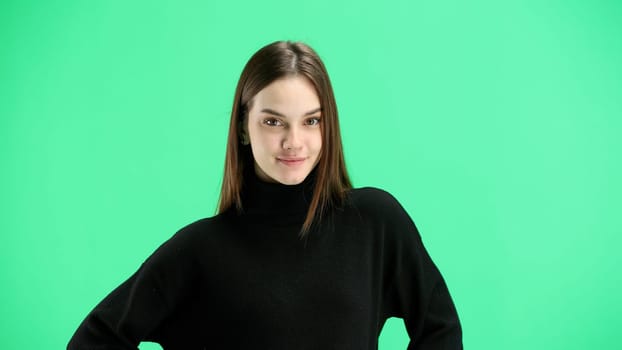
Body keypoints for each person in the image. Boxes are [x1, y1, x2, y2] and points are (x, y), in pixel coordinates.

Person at [68, 40, 462, 349]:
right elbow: (96, 339)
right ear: (243, 127)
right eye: (274, 121)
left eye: (311, 121)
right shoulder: (202, 249)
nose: (294, 142)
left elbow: (439, 328)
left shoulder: (375, 221)